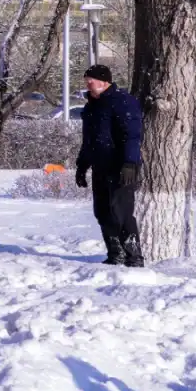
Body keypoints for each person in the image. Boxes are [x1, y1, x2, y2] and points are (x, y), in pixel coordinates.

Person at [75, 64, 144, 267]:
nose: (88, 83)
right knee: (102, 211)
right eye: (86, 79)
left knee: (121, 211)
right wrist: (82, 165)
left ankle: (134, 257)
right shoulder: (91, 107)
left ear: (104, 81)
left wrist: (130, 163)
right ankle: (116, 254)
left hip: (121, 167)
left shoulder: (122, 102)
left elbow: (132, 135)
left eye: (92, 79)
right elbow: (89, 140)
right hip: (100, 166)